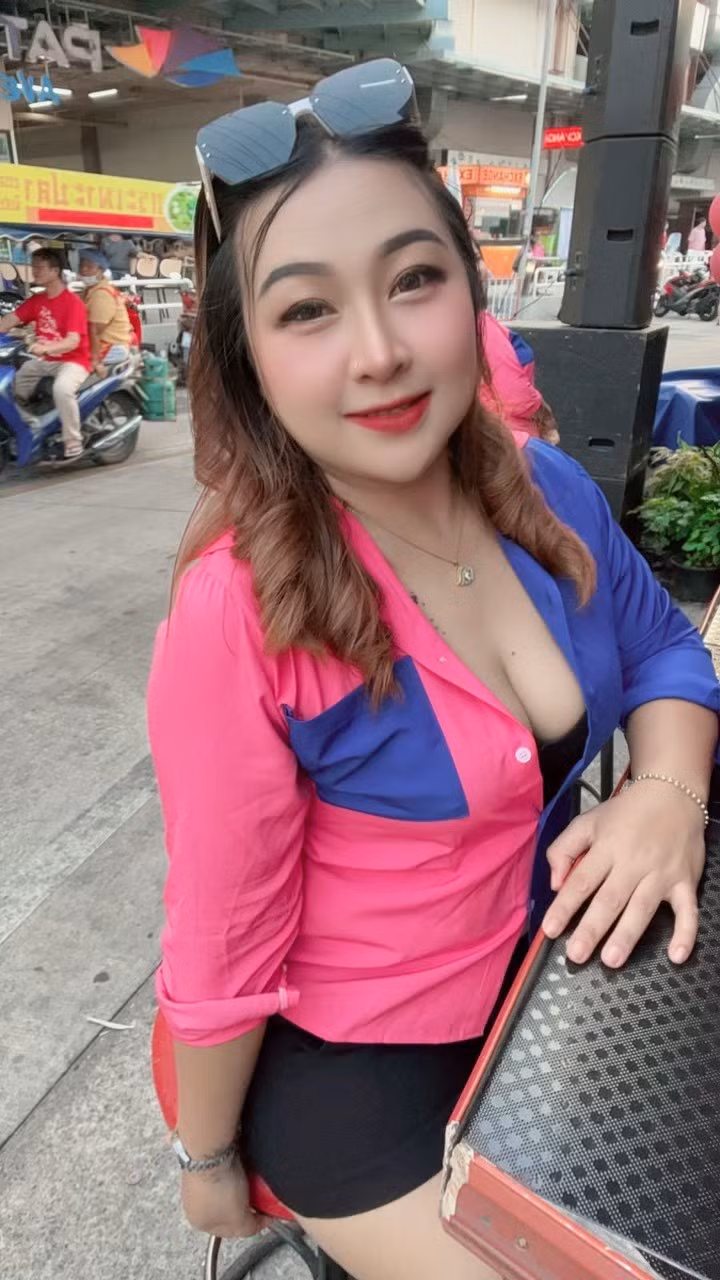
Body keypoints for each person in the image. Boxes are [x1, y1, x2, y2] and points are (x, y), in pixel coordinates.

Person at [147, 60, 719, 1280]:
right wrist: (206, 1158)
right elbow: (222, 941)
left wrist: (665, 794)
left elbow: (666, 645)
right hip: (357, 1082)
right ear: (247, 358)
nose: (381, 351)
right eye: (306, 311)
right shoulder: (235, 614)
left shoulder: (541, 491)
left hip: (547, 993)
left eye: (414, 280)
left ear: (473, 289)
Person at [0, 247, 91, 462]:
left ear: (55, 271)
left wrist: (46, 348)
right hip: (44, 360)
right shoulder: (37, 300)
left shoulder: (72, 303)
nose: (34, 272)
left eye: (40, 268)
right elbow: (10, 320)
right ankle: (30, 425)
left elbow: (73, 341)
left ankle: (73, 441)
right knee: (14, 386)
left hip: (73, 360)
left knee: (62, 389)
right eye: (34, 267)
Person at [479, 311, 560, 444]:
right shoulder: (481, 324)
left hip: (494, 433)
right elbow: (514, 394)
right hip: (507, 437)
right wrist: (546, 419)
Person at [77, 248, 133, 374]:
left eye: (90, 266)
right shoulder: (90, 290)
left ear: (101, 270)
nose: (84, 270)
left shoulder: (101, 294)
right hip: (100, 343)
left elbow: (95, 331)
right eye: (82, 266)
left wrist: (95, 361)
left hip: (111, 347)